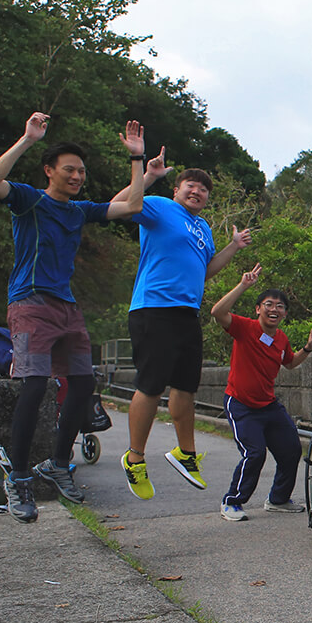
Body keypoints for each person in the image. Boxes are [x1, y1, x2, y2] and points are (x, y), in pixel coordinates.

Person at [0, 113, 145, 523]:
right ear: (50, 171)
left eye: (82, 171)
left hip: (67, 307)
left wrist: (139, 161)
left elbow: (132, 204)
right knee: (34, 388)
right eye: (70, 169)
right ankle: (18, 478)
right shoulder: (29, 200)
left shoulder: (78, 211)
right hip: (29, 304)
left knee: (83, 384)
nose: (77, 176)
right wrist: (27, 139)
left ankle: (56, 463)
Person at [117, 148, 253, 500]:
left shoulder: (203, 226)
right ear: (176, 189)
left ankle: (185, 453)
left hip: (186, 311)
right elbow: (120, 204)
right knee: (150, 385)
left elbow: (204, 270)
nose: (197, 192)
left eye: (204, 189)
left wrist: (234, 246)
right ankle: (135, 458)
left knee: (185, 387)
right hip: (153, 308)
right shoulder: (160, 207)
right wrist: (148, 176)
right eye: (191, 186)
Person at [210, 263, 312, 521]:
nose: (274, 309)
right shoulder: (244, 327)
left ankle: (278, 499)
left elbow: (290, 363)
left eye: (280, 306)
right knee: (254, 452)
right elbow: (217, 312)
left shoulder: (280, 338)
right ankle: (232, 502)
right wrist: (244, 285)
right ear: (258, 309)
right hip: (240, 403)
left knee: (292, 449)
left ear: (284, 314)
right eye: (269, 304)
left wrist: (308, 347)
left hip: (268, 405)